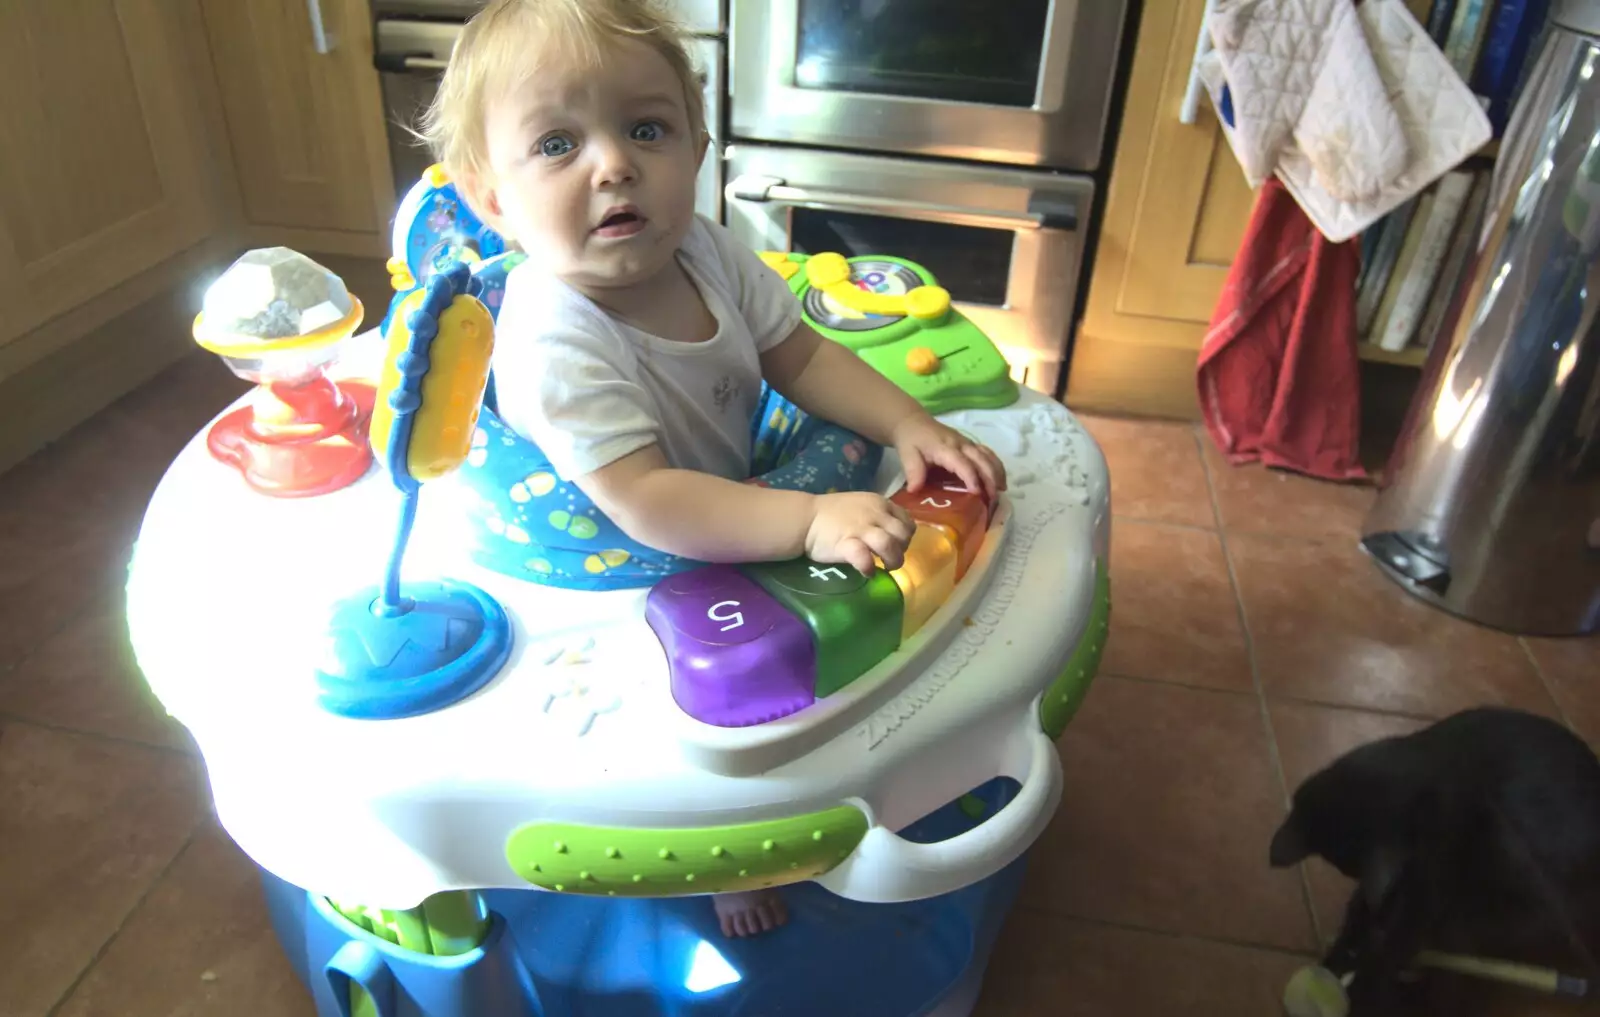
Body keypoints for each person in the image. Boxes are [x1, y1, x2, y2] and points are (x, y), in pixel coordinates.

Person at [419, 0, 1007, 937]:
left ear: (696, 148)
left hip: (728, 493)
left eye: (645, 129)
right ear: (494, 200)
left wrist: (906, 424)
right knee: (683, 740)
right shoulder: (552, 337)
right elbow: (647, 500)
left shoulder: (702, 250)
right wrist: (812, 520)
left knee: (800, 694)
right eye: (560, 144)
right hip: (618, 568)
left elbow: (800, 357)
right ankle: (715, 859)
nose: (615, 164)